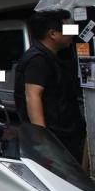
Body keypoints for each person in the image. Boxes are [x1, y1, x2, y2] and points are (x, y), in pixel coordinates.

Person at [14, 9, 86, 162]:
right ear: (52, 34)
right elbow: (33, 96)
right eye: (68, 29)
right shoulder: (38, 59)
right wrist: (43, 139)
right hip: (55, 137)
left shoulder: (51, 57)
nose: (73, 34)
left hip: (65, 133)